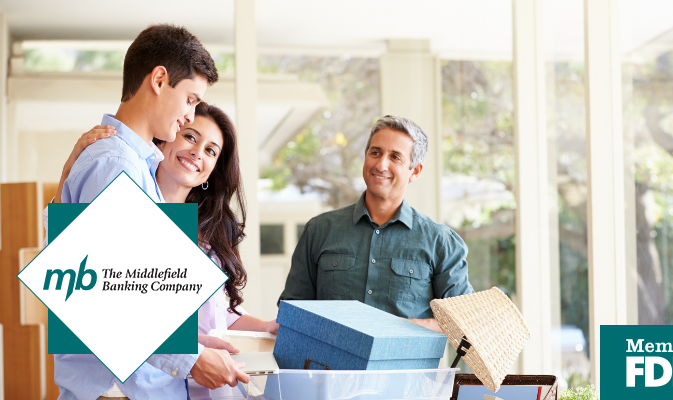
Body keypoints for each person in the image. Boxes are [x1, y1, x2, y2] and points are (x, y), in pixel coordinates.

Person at [54, 23, 250, 400]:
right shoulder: (115, 165)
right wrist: (192, 359)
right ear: (159, 79)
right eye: (190, 99)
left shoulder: (133, 168)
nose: (190, 116)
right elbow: (110, 295)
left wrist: (200, 342)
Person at [278, 115, 475, 333]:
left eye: (395, 157)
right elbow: (291, 313)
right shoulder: (320, 230)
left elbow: (463, 324)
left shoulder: (441, 242)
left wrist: (391, 328)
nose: (381, 165)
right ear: (365, 157)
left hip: (408, 368)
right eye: (375, 153)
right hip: (331, 367)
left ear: (415, 171)